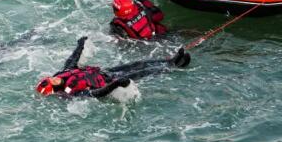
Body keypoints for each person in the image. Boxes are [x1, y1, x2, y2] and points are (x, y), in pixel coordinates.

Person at [35, 36, 190, 99]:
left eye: (50, 78)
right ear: (53, 89)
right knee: (142, 72)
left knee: (136, 64)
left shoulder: (61, 75)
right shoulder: (73, 93)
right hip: (111, 81)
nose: (53, 78)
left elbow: (72, 61)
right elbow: (98, 93)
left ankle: (170, 60)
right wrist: (116, 84)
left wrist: (80, 46)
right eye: (52, 82)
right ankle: (176, 66)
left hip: (106, 73)